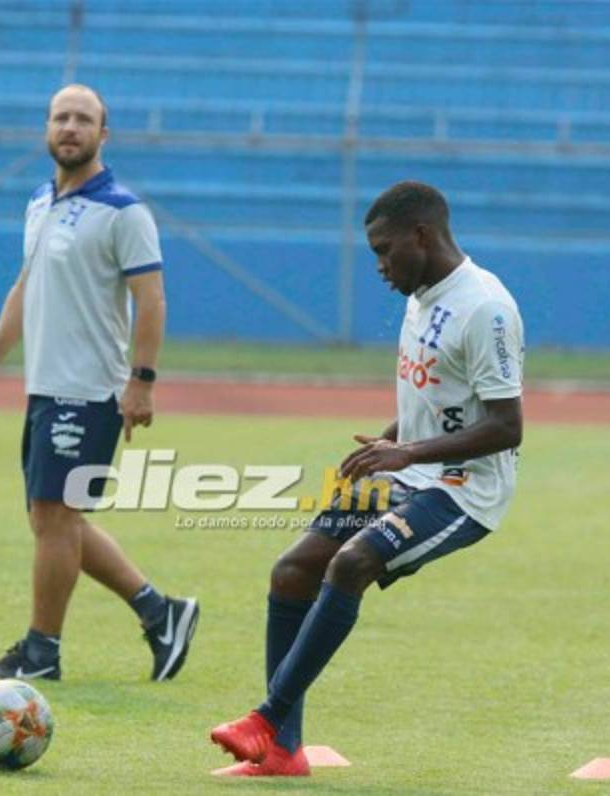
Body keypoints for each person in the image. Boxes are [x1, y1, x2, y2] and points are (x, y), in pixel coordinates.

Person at [208, 181, 524, 776]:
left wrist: (407, 454)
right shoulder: (421, 296)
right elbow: (434, 397)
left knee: (351, 563)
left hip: (464, 491)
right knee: (292, 570)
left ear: (421, 236)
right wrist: (388, 444)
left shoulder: (486, 308)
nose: (379, 266)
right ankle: (284, 752)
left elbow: (507, 427)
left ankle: (268, 721)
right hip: (413, 470)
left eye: (384, 250)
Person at [0, 84, 199, 683]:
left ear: (103, 134)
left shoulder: (123, 211)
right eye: (61, 117)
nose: (70, 127)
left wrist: (142, 381)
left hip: (90, 389)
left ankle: (42, 653)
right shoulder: (39, 201)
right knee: (53, 520)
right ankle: (161, 613)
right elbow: (26, 287)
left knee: (54, 516)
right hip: (46, 385)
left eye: (83, 119)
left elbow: (152, 299)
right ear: (47, 128)